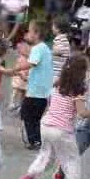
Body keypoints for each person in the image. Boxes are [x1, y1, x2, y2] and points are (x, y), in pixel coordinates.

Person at [16, 54, 90, 179]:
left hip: (46, 125)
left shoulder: (58, 84)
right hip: (62, 130)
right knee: (71, 159)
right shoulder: (79, 89)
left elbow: (51, 104)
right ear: (82, 72)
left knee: (46, 156)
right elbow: (83, 112)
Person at [10, 20, 53, 150]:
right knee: (33, 116)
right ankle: (36, 139)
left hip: (36, 91)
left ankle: (35, 140)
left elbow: (31, 63)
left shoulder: (37, 48)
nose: (27, 33)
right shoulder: (44, 48)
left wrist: (15, 69)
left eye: (29, 31)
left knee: (28, 114)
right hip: (41, 90)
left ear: (36, 34)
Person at [9, 41, 30, 112]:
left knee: (22, 93)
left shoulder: (30, 59)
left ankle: (20, 106)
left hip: (25, 78)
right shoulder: (20, 59)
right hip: (20, 77)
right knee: (16, 90)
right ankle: (12, 103)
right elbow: (17, 68)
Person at [52, 15, 71, 82]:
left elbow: (60, 50)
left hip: (56, 71)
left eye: (53, 26)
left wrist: (50, 52)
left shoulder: (59, 38)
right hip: (59, 69)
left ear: (58, 29)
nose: (52, 28)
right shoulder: (65, 38)